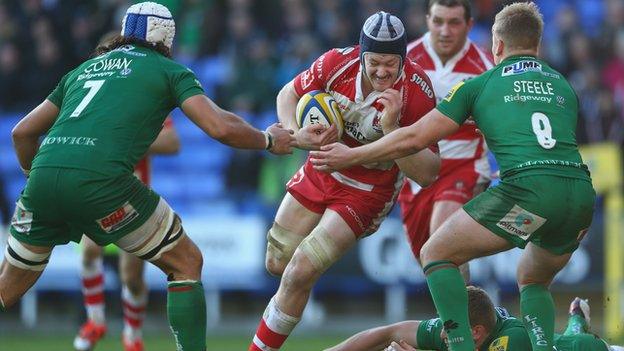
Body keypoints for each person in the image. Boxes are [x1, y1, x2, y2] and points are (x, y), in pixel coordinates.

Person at [0, 2, 295, 351]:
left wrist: (37, 177)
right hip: (103, 183)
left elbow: (21, 133)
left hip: (42, 180)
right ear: (166, 40)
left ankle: (112, 329)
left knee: (8, 287)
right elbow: (219, 126)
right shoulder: (168, 70)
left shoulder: (82, 70)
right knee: (186, 262)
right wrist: (267, 139)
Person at [310, 3, 596, 351]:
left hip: (528, 190)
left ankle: (459, 347)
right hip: (580, 197)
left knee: (437, 253)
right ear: (536, 44)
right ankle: (548, 345)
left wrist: (351, 155)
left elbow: (415, 138)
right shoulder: (562, 85)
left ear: (497, 45)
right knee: (533, 280)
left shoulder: (479, 85)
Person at [248, 11, 440, 351]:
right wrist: (297, 132)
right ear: (361, 54)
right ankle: (295, 296)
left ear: (404, 61)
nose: (382, 71)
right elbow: (287, 95)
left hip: (367, 191)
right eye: (375, 62)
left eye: (391, 64)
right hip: (321, 169)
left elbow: (427, 173)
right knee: (277, 262)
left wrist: (393, 130)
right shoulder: (336, 63)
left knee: (299, 271)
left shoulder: (418, 93)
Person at [399, 0, 493, 282]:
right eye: (438, 21)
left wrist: (498, 170)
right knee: (429, 263)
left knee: (443, 245)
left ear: (469, 25)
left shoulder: (485, 67)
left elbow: (498, 126)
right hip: (417, 172)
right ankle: (473, 320)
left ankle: (463, 326)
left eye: (454, 23)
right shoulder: (406, 60)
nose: (445, 30)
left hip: (463, 168)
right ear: (427, 20)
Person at [73, 117, 179, 351]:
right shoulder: (99, 103)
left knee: (130, 279)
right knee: (89, 252)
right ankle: (95, 322)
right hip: (100, 191)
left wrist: (126, 136)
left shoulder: (146, 104)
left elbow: (172, 143)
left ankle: (132, 335)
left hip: (133, 197)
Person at [325, 287, 619, 351]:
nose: (442, 332)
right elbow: (390, 332)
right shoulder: (456, 330)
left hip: (591, 349)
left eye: (448, 327)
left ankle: (577, 323)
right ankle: (577, 319)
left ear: (476, 332)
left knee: (572, 339)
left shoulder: (512, 341)